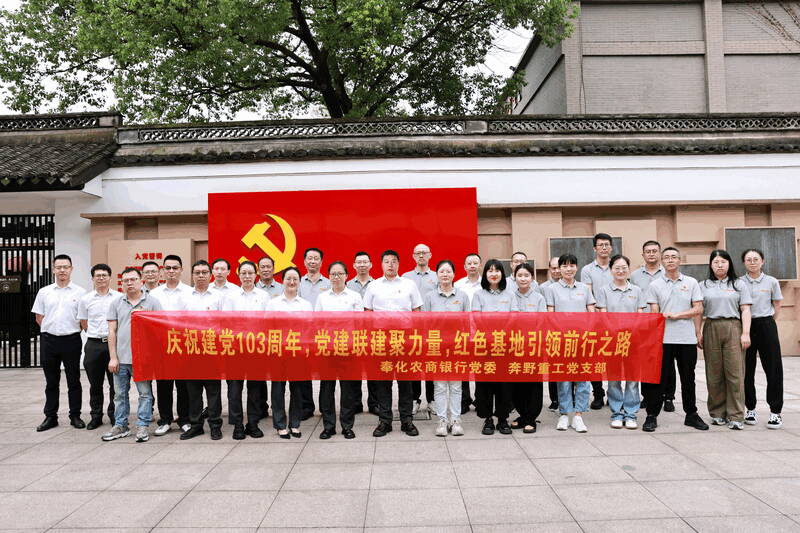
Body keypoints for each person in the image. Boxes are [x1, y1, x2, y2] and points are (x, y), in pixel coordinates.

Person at [642, 247, 709, 432]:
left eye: (674, 257)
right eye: (667, 257)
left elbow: (698, 309)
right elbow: (654, 312)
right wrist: (660, 319)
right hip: (663, 339)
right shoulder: (655, 285)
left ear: (680, 260)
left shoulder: (691, 282)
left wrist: (677, 315)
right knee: (659, 378)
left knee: (688, 378)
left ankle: (691, 414)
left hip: (686, 338)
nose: (670, 260)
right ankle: (651, 415)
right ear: (662, 261)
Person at [363, 250, 423, 437]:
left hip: (404, 338)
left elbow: (417, 311)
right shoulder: (373, 286)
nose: (390, 264)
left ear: (399, 264)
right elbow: (367, 313)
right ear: (381, 264)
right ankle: (384, 421)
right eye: (387, 261)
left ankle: (407, 420)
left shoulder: (409, 284)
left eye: (394, 261)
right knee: (383, 382)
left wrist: (415, 338)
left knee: (406, 382)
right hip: (381, 338)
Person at [102, 267, 162, 442]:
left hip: (142, 359)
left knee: (145, 394)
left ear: (141, 281)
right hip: (121, 358)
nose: (129, 283)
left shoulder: (152, 302)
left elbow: (158, 330)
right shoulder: (116, 303)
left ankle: (143, 426)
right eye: (126, 280)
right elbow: (112, 331)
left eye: (133, 279)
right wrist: (113, 357)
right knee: (119, 394)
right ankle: (121, 425)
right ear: (122, 283)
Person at [31, 254, 86, 432]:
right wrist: (51, 330)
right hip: (49, 341)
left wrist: (69, 331)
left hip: (71, 340)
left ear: (71, 269)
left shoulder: (80, 292)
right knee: (51, 381)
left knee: (74, 380)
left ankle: (75, 415)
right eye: (59, 267)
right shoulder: (44, 292)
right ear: (54, 269)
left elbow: (83, 319)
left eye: (66, 267)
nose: (62, 270)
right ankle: (50, 416)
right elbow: (39, 317)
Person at [698, 250, 752, 430]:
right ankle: (717, 413)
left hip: (733, 327)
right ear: (710, 265)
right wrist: (698, 332)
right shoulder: (703, 285)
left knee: (735, 373)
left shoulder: (739, 284)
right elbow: (698, 311)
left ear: (729, 264)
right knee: (714, 373)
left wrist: (745, 333)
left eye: (723, 261)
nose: (720, 265)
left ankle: (736, 415)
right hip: (711, 326)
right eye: (716, 262)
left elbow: (745, 309)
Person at [595, 255, 647, 429]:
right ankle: (617, 413)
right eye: (617, 268)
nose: (621, 271)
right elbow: (603, 315)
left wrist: (631, 333)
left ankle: (631, 414)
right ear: (611, 270)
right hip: (612, 340)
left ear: (629, 270)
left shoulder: (636, 290)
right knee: (614, 378)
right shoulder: (604, 290)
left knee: (632, 378)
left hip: (633, 340)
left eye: (624, 267)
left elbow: (640, 315)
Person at [546, 254, 595, 433]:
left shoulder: (584, 288)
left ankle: (579, 415)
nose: (568, 269)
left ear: (576, 267)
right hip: (561, 341)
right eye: (564, 266)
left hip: (582, 340)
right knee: (563, 379)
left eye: (572, 265)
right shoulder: (551, 289)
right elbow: (550, 314)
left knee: (582, 379)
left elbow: (591, 312)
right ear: (559, 269)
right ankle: (564, 414)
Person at [314, 261, 363, 439]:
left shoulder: (354, 296)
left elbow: (359, 323)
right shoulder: (322, 297)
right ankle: (328, 426)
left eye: (340, 274)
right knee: (327, 389)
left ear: (346, 276)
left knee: (348, 389)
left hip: (348, 348)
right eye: (333, 274)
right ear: (328, 277)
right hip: (327, 348)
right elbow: (317, 323)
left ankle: (347, 426)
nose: (336, 277)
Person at [423, 259, 469, 437]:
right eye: (442, 271)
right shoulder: (429, 297)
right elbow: (425, 323)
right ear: (437, 275)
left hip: (456, 345)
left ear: (454, 274)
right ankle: (442, 421)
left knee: (456, 386)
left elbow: (467, 323)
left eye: (448, 271)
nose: (445, 274)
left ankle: (455, 420)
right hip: (437, 346)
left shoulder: (462, 296)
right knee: (440, 386)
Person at [221, 261, 268, 439]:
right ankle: (238, 425)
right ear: (238, 275)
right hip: (235, 349)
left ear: (256, 275)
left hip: (256, 349)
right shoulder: (231, 296)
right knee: (234, 390)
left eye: (250, 273)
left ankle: (253, 423)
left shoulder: (263, 296)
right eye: (244, 273)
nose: (247, 276)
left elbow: (268, 322)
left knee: (255, 390)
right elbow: (226, 322)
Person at [472, 259, 519, 435]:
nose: (494, 274)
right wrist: (490, 335)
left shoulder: (510, 294)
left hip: (505, 345)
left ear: (502, 274)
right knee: (485, 384)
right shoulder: (478, 295)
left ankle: (502, 418)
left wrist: (501, 334)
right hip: (484, 345)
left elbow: (514, 317)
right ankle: (487, 419)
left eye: (497, 270)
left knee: (504, 384)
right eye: (490, 271)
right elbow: (476, 318)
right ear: (485, 274)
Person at [180, 260, 225, 440]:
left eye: (204, 272)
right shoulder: (184, 297)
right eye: (197, 272)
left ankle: (215, 425)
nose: (200, 275)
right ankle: (196, 425)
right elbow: (178, 322)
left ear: (210, 275)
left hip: (212, 350)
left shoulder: (218, 297)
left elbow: (224, 323)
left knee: (213, 391)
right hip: (191, 349)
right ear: (192, 275)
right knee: (193, 392)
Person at [266, 267, 312, 438]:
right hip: (278, 351)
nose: (292, 282)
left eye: (295, 279)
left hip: (298, 352)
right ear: (282, 281)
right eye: (288, 279)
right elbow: (267, 328)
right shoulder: (273, 303)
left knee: (297, 389)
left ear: (299, 282)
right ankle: (280, 424)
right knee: (278, 389)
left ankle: (295, 423)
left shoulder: (306, 305)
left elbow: (310, 329)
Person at [740, 248, 784, 429]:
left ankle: (775, 412)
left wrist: (769, 322)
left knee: (773, 368)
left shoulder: (771, 281)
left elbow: (777, 305)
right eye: (748, 259)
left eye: (756, 259)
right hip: (746, 327)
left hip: (766, 324)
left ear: (762, 261)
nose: (752, 262)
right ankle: (750, 409)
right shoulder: (739, 282)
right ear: (744, 263)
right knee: (746, 369)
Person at [150, 254, 192, 435]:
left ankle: (184, 419)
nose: (171, 271)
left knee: (184, 385)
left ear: (181, 270)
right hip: (161, 345)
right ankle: (165, 420)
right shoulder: (154, 293)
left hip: (183, 343)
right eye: (168, 268)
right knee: (163, 384)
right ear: (163, 270)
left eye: (175, 268)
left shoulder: (190, 292)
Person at [77, 263, 121, 430]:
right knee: (95, 384)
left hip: (114, 345)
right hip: (94, 344)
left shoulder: (119, 297)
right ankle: (96, 416)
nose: (101, 278)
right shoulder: (86, 299)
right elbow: (83, 322)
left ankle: (114, 415)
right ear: (93, 278)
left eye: (104, 275)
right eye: (98, 276)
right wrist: (96, 334)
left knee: (115, 384)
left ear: (110, 277)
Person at [510, 262, 546, 433]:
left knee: (533, 383)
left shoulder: (539, 298)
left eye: (526, 275)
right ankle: (522, 415)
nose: (523, 278)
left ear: (532, 278)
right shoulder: (510, 296)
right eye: (520, 275)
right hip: (514, 346)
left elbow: (542, 322)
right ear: (514, 277)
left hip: (533, 346)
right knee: (517, 383)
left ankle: (531, 417)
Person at [402, 243, 437, 415]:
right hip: (411, 328)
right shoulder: (405, 277)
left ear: (430, 255)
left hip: (432, 327)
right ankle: (415, 399)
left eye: (424, 252)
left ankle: (432, 400)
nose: (421, 255)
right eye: (418, 253)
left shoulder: (437, 276)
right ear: (413, 256)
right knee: (414, 365)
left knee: (430, 364)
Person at [580, 233, 614, 410]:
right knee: (594, 359)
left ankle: (614, 394)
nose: (604, 248)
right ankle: (598, 394)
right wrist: (598, 315)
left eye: (607, 244)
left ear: (611, 247)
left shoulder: (617, 266)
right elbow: (588, 295)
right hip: (595, 319)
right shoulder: (587, 270)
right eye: (600, 245)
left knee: (614, 358)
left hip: (615, 320)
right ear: (594, 248)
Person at [298, 247, 330, 420]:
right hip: (303, 333)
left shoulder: (329, 282)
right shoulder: (298, 282)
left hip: (324, 333)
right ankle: (306, 406)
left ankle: (326, 407)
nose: (312, 261)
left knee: (325, 371)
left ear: (321, 262)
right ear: (304, 261)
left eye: (316, 258)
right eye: (309, 258)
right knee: (303, 371)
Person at [347, 251, 374, 414]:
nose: (362, 265)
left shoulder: (377, 284)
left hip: (372, 333)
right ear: (354, 265)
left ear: (370, 265)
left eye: (365, 262)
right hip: (353, 334)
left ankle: (374, 403)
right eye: (359, 262)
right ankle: (356, 403)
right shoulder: (347, 285)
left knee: (373, 369)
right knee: (354, 370)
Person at [455, 253, 482, 414]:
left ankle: (481, 399)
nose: (472, 266)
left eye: (475, 263)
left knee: (480, 367)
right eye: (469, 263)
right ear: (464, 266)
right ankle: (464, 400)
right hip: (462, 332)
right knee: (463, 367)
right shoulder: (458, 285)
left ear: (480, 265)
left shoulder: (485, 284)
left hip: (481, 332)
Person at [538, 256, 562, 411]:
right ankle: (555, 399)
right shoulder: (543, 288)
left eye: (559, 267)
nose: (557, 271)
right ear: (549, 269)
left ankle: (570, 398)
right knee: (553, 368)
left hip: (569, 333)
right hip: (551, 333)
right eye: (553, 268)